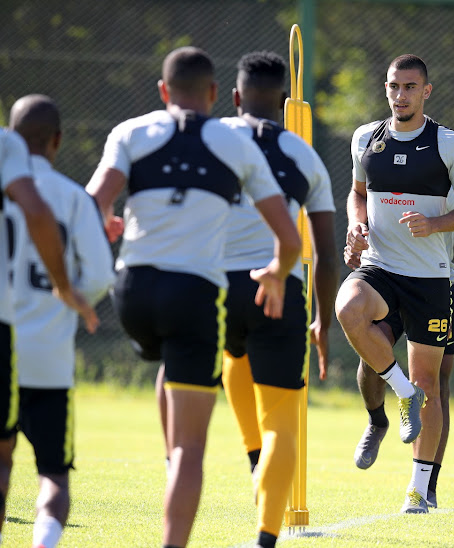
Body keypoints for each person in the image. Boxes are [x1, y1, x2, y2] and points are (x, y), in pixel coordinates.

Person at [86, 46, 301, 548]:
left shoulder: (131, 132)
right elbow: (289, 241)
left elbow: (93, 202)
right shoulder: (236, 143)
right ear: (213, 95)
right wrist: (274, 274)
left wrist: (106, 230)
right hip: (194, 294)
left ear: (163, 92)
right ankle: (174, 495)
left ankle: (167, 458)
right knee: (191, 446)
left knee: (168, 357)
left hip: (131, 291)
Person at [335, 54, 454, 514]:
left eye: (410, 87)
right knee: (348, 308)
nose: (401, 95)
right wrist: (355, 225)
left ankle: (419, 492)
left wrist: (436, 225)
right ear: (386, 89)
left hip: (430, 279)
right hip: (380, 267)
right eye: (394, 87)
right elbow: (357, 194)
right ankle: (400, 392)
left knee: (432, 383)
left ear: (426, 91)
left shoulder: (449, 144)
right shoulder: (366, 138)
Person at [221, 50, 337, 548]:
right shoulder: (304, 154)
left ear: (233, 97)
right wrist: (323, 324)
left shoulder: (213, 138)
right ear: (285, 100)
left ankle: (254, 459)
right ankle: (267, 536)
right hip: (280, 287)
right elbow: (327, 255)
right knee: (283, 422)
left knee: (232, 357)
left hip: (214, 287)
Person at [5, 95, 115, 548]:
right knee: (53, 475)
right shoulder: (73, 198)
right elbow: (101, 277)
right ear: (57, 141)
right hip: (48, 357)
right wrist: (68, 299)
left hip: (2, 345)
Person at [349, 189, 454, 510]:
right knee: (371, 356)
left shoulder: (453, 186)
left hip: (432, 292)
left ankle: (425, 487)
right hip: (387, 283)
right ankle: (377, 420)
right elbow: (358, 203)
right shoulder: (384, 170)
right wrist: (355, 237)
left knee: (435, 383)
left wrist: (450, 301)